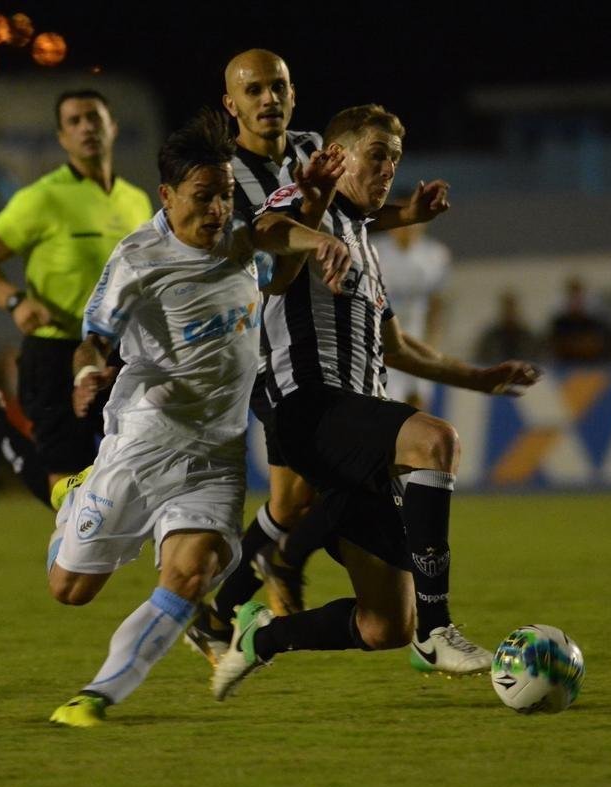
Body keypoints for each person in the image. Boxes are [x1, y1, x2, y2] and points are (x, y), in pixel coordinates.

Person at [211, 104, 541, 701]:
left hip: (356, 424)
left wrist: (478, 376)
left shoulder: (362, 239)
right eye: (377, 155)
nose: (389, 169)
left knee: (385, 623)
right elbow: (265, 237)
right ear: (336, 158)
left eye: (395, 158)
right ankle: (437, 631)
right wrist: (312, 229)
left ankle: (259, 639)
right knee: (436, 441)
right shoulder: (303, 204)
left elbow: (397, 348)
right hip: (311, 409)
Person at [45, 109, 351, 726]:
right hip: (144, 441)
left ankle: (99, 694)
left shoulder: (240, 238)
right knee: (70, 590)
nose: (218, 209)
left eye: (226, 195)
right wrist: (86, 373)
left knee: (195, 571)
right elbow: (93, 339)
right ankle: (76, 494)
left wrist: (317, 231)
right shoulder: (139, 259)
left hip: (215, 452)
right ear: (168, 196)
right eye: (204, 197)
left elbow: (279, 259)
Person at [186, 50, 465, 668]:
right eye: (254, 90)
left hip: (325, 353)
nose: (269, 99)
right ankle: (259, 586)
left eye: (278, 86)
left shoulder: (314, 144)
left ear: (293, 91)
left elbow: (352, 211)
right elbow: (267, 237)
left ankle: (224, 613)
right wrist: (314, 233)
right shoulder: (227, 175)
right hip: (268, 354)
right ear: (231, 106)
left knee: (291, 506)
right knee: (308, 497)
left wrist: (405, 215)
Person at [0, 89, 153, 507]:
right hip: (55, 350)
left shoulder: (136, 200)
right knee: (69, 497)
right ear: (62, 138)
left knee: (130, 479)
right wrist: (14, 300)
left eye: (94, 118)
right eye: (74, 121)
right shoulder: (42, 197)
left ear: (112, 127)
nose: (86, 128)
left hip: (116, 354)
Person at [371, 220, 450, 410]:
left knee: (420, 406)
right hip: (384, 345)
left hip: (418, 342)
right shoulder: (374, 250)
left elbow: (436, 303)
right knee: (389, 407)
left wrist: (432, 344)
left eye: (413, 222)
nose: (407, 228)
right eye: (402, 222)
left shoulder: (435, 254)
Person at [549, 277, 607, 362]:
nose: (575, 301)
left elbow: (595, 345)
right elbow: (556, 346)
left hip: (591, 362)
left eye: (578, 296)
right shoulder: (560, 323)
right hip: (564, 362)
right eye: (572, 296)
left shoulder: (592, 322)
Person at [475, 290, 541, 363]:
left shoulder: (527, 337)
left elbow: (536, 359)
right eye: (506, 307)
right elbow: (481, 359)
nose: (509, 311)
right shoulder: (491, 337)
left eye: (511, 307)